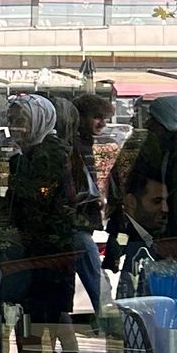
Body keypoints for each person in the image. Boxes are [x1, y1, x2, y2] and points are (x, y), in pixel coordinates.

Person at [0, 93, 79, 353]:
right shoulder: (28, 154)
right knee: (31, 324)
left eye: (21, 120)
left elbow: (35, 202)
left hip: (47, 259)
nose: (14, 127)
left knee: (40, 327)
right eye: (11, 120)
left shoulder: (50, 155)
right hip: (34, 258)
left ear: (39, 120)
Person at [107, 93, 177, 302]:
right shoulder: (143, 149)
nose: (140, 122)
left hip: (166, 247)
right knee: (132, 302)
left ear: (162, 124)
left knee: (162, 307)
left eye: (150, 119)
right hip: (142, 240)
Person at [69, 87, 115, 324]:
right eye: (97, 117)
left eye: (105, 119)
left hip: (79, 224)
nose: (102, 124)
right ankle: (112, 329)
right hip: (76, 225)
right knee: (98, 284)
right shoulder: (75, 146)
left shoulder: (83, 144)